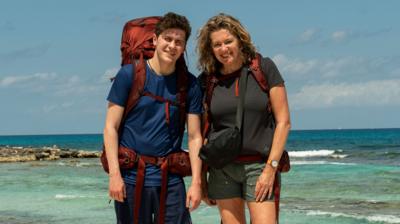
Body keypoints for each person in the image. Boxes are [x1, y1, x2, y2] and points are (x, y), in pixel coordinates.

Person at [103, 12, 203, 224]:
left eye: (179, 42)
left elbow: (195, 136)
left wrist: (196, 183)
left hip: (172, 181)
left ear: (184, 48)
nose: (172, 46)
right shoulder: (129, 75)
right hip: (131, 178)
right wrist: (114, 176)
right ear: (156, 39)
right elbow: (110, 127)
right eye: (167, 39)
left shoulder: (189, 84)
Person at [197, 13, 291, 224]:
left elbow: (283, 122)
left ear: (240, 40)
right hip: (222, 169)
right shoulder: (208, 80)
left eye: (228, 41)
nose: (224, 48)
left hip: (259, 166)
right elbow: (202, 132)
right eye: (217, 44)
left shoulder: (263, 68)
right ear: (210, 49)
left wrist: (270, 168)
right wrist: (201, 180)